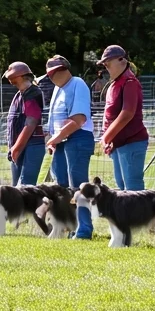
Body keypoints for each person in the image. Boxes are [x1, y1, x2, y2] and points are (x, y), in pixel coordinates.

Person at [44, 55, 95, 239]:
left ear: (64, 69)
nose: (51, 77)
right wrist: (53, 139)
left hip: (77, 139)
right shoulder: (58, 89)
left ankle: (84, 229)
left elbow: (79, 119)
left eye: (54, 72)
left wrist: (55, 138)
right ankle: (68, 226)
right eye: (50, 73)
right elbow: (55, 120)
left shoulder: (77, 84)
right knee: (62, 188)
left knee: (78, 187)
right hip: (62, 142)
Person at [97, 45, 149, 190]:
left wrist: (106, 136)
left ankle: (139, 213)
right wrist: (108, 138)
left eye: (108, 62)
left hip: (132, 141)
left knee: (132, 187)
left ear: (122, 60)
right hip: (118, 144)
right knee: (122, 186)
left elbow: (127, 113)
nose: (106, 66)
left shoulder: (130, 83)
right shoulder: (115, 84)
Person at [4, 61, 46, 186]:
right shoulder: (20, 94)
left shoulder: (32, 94)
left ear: (20, 76)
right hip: (20, 145)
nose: (10, 79)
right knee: (17, 187)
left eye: (12, 76)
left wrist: (16, 148)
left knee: (25, 187)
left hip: (32, 144)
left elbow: (31, 123)